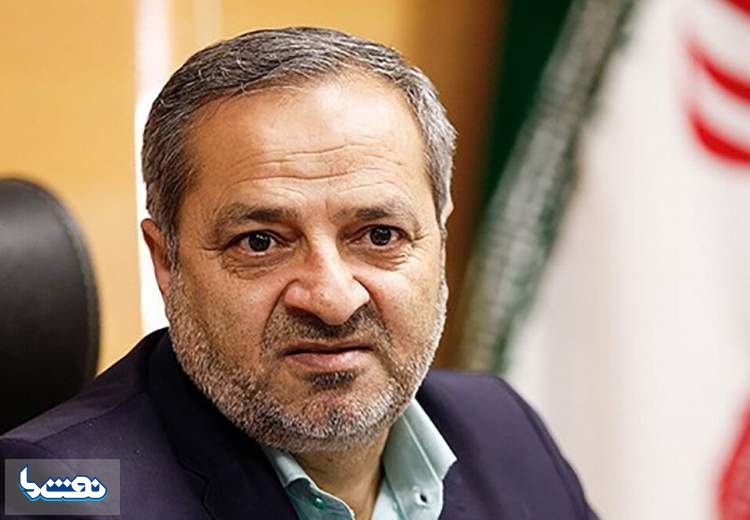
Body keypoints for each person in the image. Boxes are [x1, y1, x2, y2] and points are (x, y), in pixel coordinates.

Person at [0, 28, 596, 519]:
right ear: (167, 261)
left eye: (379, 235)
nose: (332, 299)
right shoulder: (55, 491)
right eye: (260, 242)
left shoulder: (502, 426)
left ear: (438, 239)